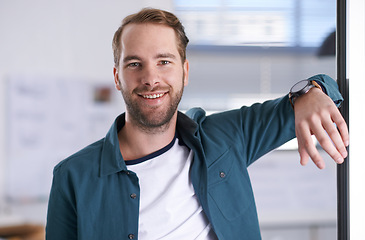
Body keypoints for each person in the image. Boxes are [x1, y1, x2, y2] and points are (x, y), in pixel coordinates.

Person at [46, 8, 349, 240]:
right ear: (117, 77)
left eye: (164, 61)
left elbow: (325, 89)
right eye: (135, 64)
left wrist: (313, 91)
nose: (151, 78)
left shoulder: (227, 137)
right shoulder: (73, 176)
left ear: (185, 72)